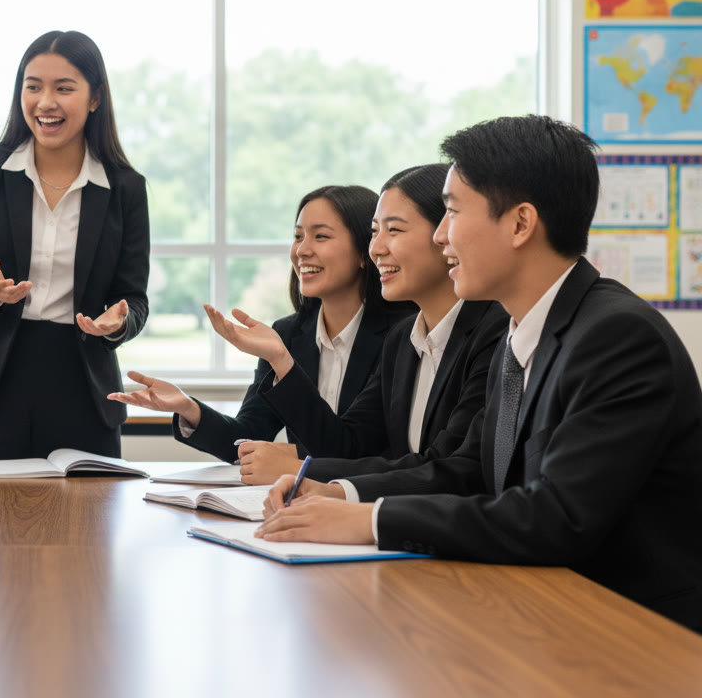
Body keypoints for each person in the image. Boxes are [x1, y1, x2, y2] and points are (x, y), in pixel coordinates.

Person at [258, 115, 702, 633]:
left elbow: (555, 518)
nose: (442, 236)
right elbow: (466, 471)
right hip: (537, 609)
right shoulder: (520, 331)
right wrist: (339, 494)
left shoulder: (617, 337)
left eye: (450, 212)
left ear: (519, 224)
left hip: (632, 632)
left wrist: (368, 521)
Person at [0, 30, 149, 461]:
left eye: (63, 88)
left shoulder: (125, 188)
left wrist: (117, 322)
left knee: (83, 523)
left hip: (83, 383)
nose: (45, 102)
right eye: (33, 87)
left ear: (94, 98)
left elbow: (134, 300)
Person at [226, 164, 508, 483]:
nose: (376, 248)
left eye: (395, 230)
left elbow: (454, 470)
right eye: (375, 231)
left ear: (445, 233)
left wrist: (301, 469)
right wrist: (281, 361)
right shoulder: (403, 339)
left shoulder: (496, 333)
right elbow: (349, 447)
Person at [111, 185, 411, 461]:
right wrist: (187, 407)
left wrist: (282, 362)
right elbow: (246, 438)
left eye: (320, 236)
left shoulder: (400, 336)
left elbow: (353, 452)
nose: (302, 250)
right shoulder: (288, 334)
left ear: (364, 251)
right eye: (297, 236)